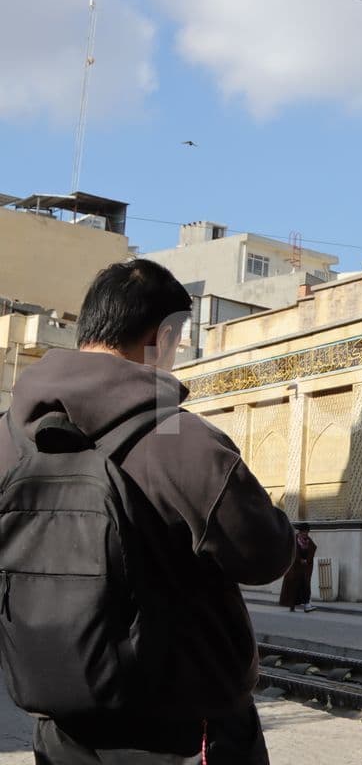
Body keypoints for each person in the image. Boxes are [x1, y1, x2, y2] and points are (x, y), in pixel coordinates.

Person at [0, 259, 295, 764]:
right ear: (164, 337)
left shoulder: (7, 438)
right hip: (182, 735)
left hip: (60, 732)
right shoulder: (186, 444)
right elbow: (266, 556)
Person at [278, 523, 318, 612]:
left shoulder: (308, 541)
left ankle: (307, 605)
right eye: (304, 532)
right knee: (294, 587)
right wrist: (299, 560)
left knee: (305, 586)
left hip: (304, 569)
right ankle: (292, 606)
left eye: (307, 532)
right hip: (294, 568)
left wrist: (307, 560)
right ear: (300, 532)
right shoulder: (294, 540)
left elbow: (313, 548)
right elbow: (292, 551)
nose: (306, 534)